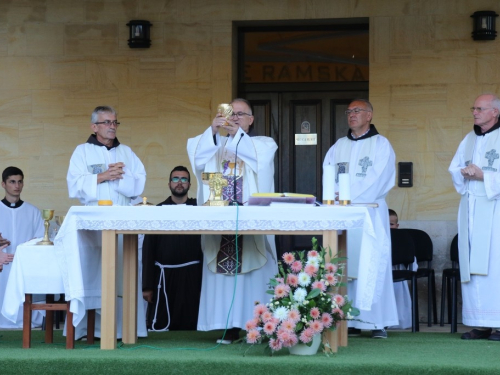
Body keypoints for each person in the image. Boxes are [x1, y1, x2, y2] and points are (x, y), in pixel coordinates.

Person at [187, 98, 278, 344]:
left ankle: (260, 326)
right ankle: (227, 327)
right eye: (230, 113)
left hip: (250, 223)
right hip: (220, 222)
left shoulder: (262, 143)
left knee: (253, 276)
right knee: (224, 278)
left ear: (251, 119)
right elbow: (197, 157)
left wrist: (236, 135)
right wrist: (213, 132)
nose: (235, 118)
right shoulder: (215, 144)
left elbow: (259, 161)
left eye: (240, 114)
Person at [66, 105, 147, 339]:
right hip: (94, 224)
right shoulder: (81, 152)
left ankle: (124, 329)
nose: (112, 126)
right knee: (95, 274)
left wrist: (121, 176)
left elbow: (139, 183)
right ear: (94, 127)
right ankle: (89, 330)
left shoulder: (127, 152)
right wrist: (102, 177)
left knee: (123, 272)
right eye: (107, 122)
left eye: (115, 122)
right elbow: (74, 185)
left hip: (122, 220)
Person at [323, 99, 398, 339]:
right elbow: (328, 172)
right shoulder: (338, 145)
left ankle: (376, 322)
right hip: (343, 216)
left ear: (370, 115)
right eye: (349, 111)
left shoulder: (381, 145)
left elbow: (379, 178)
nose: (351, 115)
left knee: (371, 264)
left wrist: (346, 195)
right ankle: (350, 321)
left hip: (369, 213)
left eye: (357, 111)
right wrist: (334, 195)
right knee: (346, 264)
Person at [449, 93, 500, 341]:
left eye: (480, 108)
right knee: (473, 265)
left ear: (495, 112)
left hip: (495, 209)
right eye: (474, 108)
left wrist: (484, 176)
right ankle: (479, 323)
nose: (475, 112)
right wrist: (464, 172)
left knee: (494, 265)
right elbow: (454, 167)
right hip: (470, 208)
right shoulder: (468, 139)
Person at [142, 166, 203, 331]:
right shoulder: (158, 211)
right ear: (169, 184)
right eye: (175, 179)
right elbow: (148, 250)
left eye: (184, 179)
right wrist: (147, 286)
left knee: (192, 326)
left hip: (193, 276)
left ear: (190, 185)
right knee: (162, 324)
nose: (179, 183)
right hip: (164, 276)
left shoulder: (200, 210)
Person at [0, 166, 44, 328]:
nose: (16, 186)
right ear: (3, 184)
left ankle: (26, 320)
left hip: (25, 267)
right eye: (12, 182)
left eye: (19, 182)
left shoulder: (33, 211)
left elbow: (40, 240)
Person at [388, 209, 418, 330]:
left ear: (397, 225)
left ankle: (400, 320)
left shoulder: (402, 238)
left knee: (399, 297)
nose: (388, 227)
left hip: (398, 271)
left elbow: (411, 258)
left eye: (391, 224)